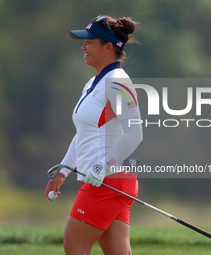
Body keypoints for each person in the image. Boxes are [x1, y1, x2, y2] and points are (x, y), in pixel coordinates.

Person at [44, 15, 143, 255]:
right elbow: (84, 134)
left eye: (89, 42)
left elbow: (135, 133)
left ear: (108, 47)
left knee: (74, 245)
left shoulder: (117, 81)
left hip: (107, 181)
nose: (83, 47)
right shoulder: (92, 84)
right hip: (107, 181)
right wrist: (63, 171)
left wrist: (102, 167)